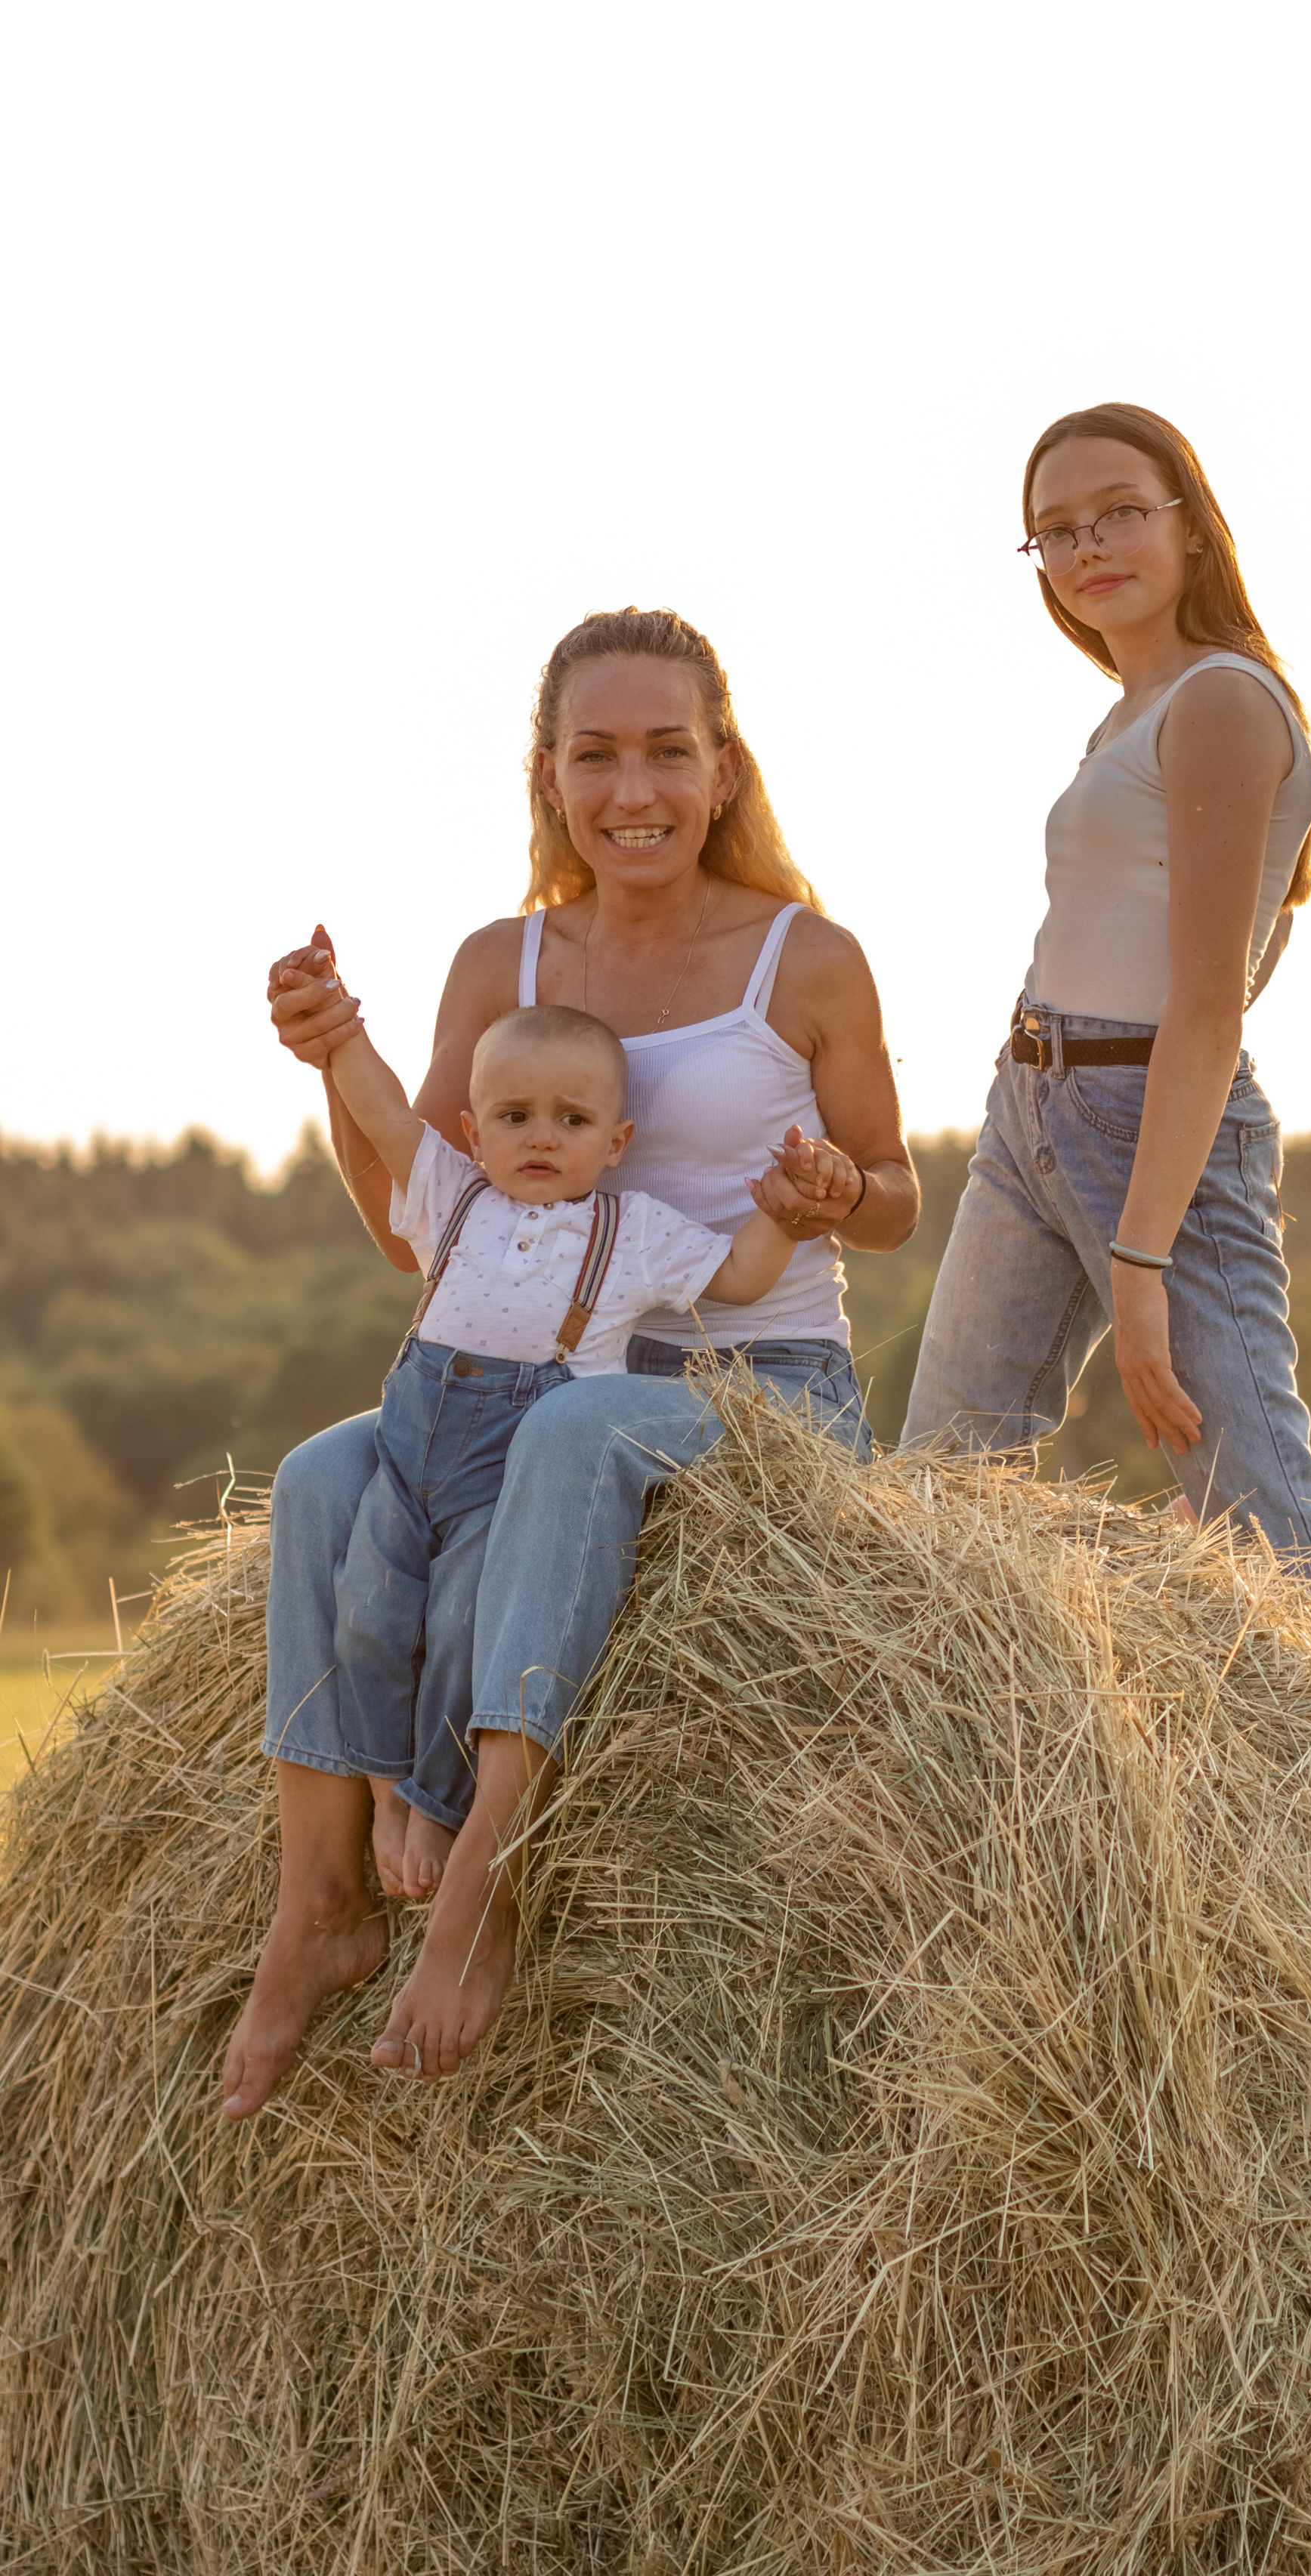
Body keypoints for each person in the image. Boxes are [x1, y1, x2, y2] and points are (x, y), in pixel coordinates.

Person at [220, 607, 917, 2120]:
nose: (633, 788)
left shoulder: (809, 958)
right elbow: (423, 1232)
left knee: (577, 1432)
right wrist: (331, 1059)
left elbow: (895, 1193)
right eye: (595, 755)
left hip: (762, 1389)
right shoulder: (500, 960)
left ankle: (482, 1874)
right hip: (540, 1379)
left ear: (723, 768)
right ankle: (317, 1900)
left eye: (668, 750)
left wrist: (830, 1200)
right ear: (547, 774)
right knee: (324, 1472)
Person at [903, 401, 1311, 1581]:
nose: (1087, 546)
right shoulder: (1129, 712)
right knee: (937, 1493)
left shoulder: (1220, 700)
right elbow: (1257, 927)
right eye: (1056, 531)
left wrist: (1139, 1259)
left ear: (1193, 527)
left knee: (1285, 1562)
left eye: (1118, 514)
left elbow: (1212, 1006)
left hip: (1152, 1123)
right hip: (1033, 1102)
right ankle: (1148, 1592)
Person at [309, 992, 806, 1901]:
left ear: (614, 1142)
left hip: (502, 1481)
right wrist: (340, 1034)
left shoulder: (632, 1233)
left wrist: (785, 1213)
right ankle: (383, 1792)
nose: (541, 1138)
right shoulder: (450, 1193)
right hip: (408, 1456)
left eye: (571, 1121)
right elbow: (380, 1108)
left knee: (460, 1628)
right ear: (473, 1129)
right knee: (368, 1615)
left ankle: (436, 1806)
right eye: (514, 1117)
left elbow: (738, 1276)